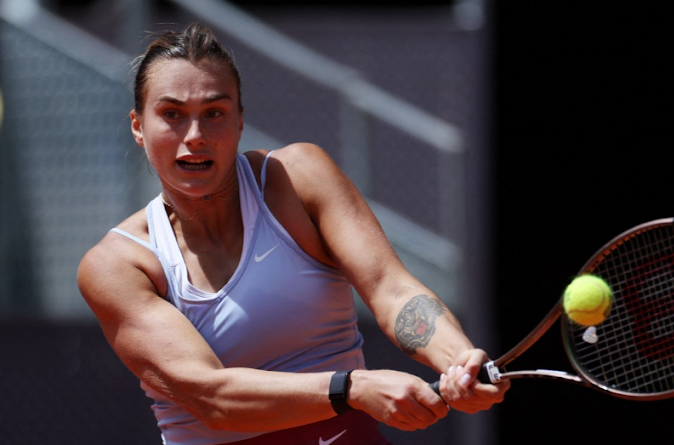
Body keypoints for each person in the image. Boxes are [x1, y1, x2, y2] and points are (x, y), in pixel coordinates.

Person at [77, 22, 509, 445]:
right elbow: (212, 396)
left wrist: (458, 363)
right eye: (172, 115)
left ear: (240, 121)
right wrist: (352, 389)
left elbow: (390, 289)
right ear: (138, 126)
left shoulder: (300, 177)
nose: (195, 136)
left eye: (214, 114)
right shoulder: (117, 266)